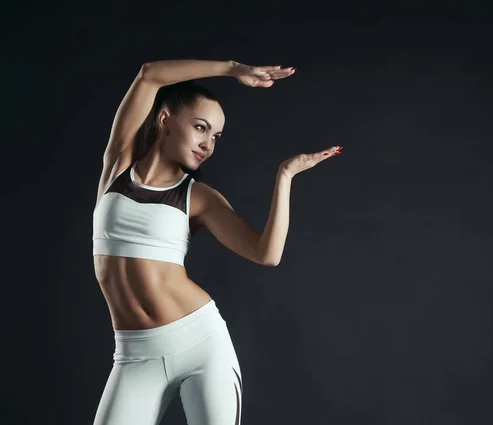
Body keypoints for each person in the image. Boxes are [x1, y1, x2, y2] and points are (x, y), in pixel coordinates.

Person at [91, 59, 343, 425]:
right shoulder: (118, 168)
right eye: (200, 128)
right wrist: (233, 69)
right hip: (134, 355)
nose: (208, 144)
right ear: (164, 120)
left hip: (200, 345)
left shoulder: (199, 198)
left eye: (216, 137)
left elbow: (266, 253)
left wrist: (285, 176)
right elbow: (149, 75)